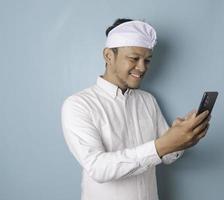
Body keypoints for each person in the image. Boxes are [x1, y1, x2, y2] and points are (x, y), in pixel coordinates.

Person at [61, 18, 211, 200]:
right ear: (109, 56)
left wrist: (184, 136)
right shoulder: (78, 104)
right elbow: (98, 168)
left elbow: (167, 156)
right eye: (134, 58)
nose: (142, 67)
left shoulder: (147, 100)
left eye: (147, 60)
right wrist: (162, 144)